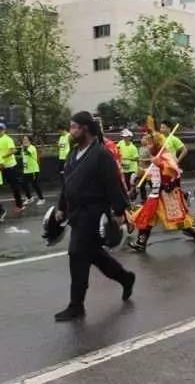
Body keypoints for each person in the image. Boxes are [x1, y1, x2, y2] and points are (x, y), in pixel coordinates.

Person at [53, 111, 135, 322]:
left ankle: (76, 305)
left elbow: (113, 184)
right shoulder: (73, 154)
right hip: (76, 213)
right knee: (95, 256)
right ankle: (126, 278)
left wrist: (118, 213)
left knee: (77, 254)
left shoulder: (101, 155)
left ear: (85, 129)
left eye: (74, 127)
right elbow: (67, 184)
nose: (71, 131)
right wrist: (61, 207)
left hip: (94, 213)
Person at [127, 130, 195, 251]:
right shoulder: (154, 156)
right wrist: (138, 175)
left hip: (166, 192)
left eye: (149, 144)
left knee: (176, 219)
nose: (147, 147)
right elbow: (152, 173)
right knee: (147, 216)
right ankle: (141, 243)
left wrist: (160, 163)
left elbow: (174, 170)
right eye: (146, 144)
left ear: (156, 143)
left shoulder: (165, 155)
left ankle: (194, 232)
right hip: (155, 192)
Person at [0, 122, 25, 213]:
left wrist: (3, 156)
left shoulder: (8, 139)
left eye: (1, 129)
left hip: (10, 166)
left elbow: (14, 150)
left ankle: (20, 205)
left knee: (14, 186)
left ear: (4, 130)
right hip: (0, 166)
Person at [20, 135, 45, 206]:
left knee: (35, 185)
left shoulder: (32, 147)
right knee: (23, 184)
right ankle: (29, 198)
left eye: (26, 139)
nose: (24, 141)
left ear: (29, 141)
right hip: (26, 170)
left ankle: (42, 199)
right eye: (23, 139)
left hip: (33, 170)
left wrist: (23, 148)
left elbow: (28, 153)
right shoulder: (23, 148)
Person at [117, 129, 139, 196]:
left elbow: (136, 158)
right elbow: (116, 148)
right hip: (124, 167)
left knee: (132, 182)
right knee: (126, 182)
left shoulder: (133, 147)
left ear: (129, 137)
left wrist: (127, 158)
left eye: (126, 137)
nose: (125, 138)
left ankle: (134, 195)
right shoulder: (121, 143)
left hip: (132, 168)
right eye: (124, 137)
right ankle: (129, 196)